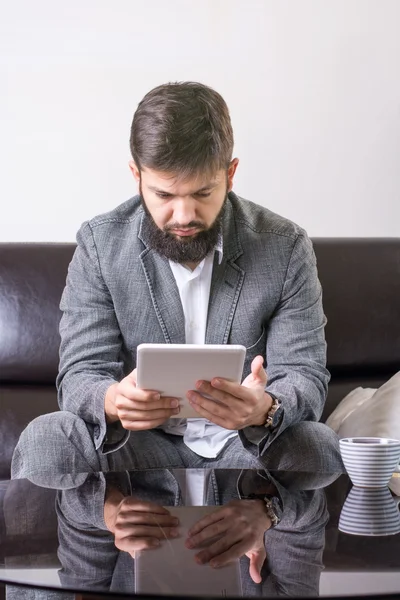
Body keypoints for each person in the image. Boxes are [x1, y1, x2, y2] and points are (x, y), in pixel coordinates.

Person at [11, 81, 342, 478]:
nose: (184, 215)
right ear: (136, 176)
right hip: (136, 448)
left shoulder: (285, 248)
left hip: (245, 448)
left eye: (203, 192)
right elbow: (81, 374)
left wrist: (264, 408)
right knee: (47, 438)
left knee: (317, 445)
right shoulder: (100, 245)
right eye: (165, 195)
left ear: (230, 173)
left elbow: (304, 374)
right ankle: (94, 533)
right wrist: (113, 399)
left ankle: (262, 521)